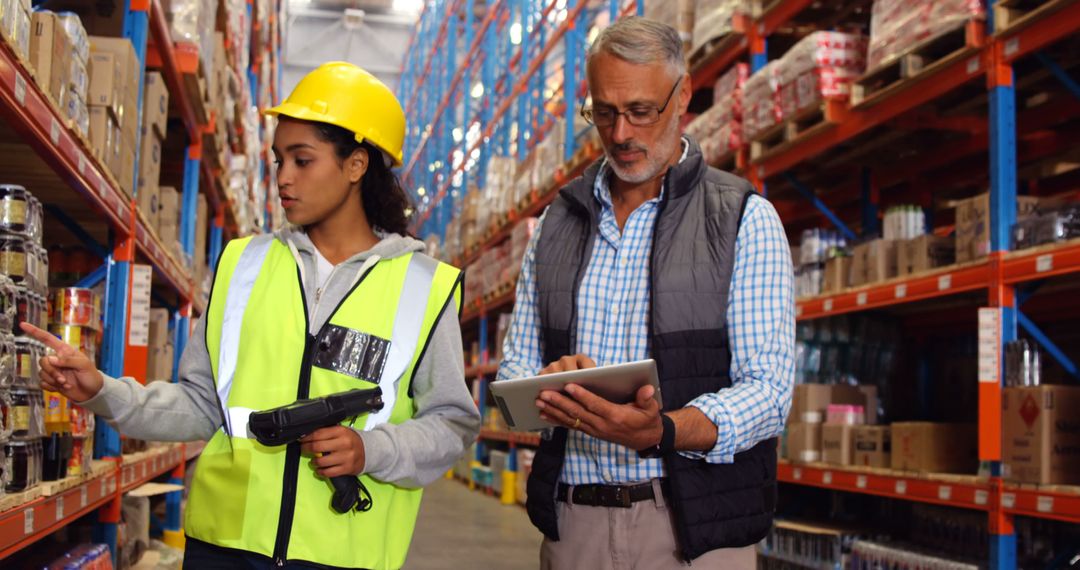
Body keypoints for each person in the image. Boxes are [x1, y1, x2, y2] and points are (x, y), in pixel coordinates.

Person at [22, 62, 481, 570]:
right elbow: (202, 404)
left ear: (356, 165)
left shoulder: (424, 286)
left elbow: (450, 423)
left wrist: (371, 450)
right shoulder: (244, 264)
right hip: (224, 548)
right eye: (278, 158)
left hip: (342, 554)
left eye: (302, 160)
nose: (283, 177)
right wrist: (102, 391)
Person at [496, 17, 795, 569]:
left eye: (640, 111)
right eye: (604, 113)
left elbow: (770, 393)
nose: (620, 133)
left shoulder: (741, 220)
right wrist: (550, 389)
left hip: (693, 534)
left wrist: (663, 431)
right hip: (574, 527)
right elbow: (513, 374)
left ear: (682, 96)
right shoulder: (555, 225)